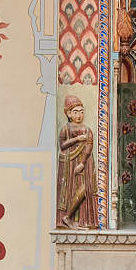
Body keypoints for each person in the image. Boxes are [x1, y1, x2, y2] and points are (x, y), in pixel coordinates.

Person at [56, 94, 97, 228]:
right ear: (68, 113)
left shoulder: (87, 130)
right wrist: (77, 139)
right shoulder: (65, 129)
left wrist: (82, 163)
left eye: (81, 111)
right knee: (69, 190)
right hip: (68, 162)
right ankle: (66, 218)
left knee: (86, 188)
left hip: (83, 162)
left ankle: (79, 219)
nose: (79, 115)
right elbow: (62, 145)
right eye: (75, 112)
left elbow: (89, 147)